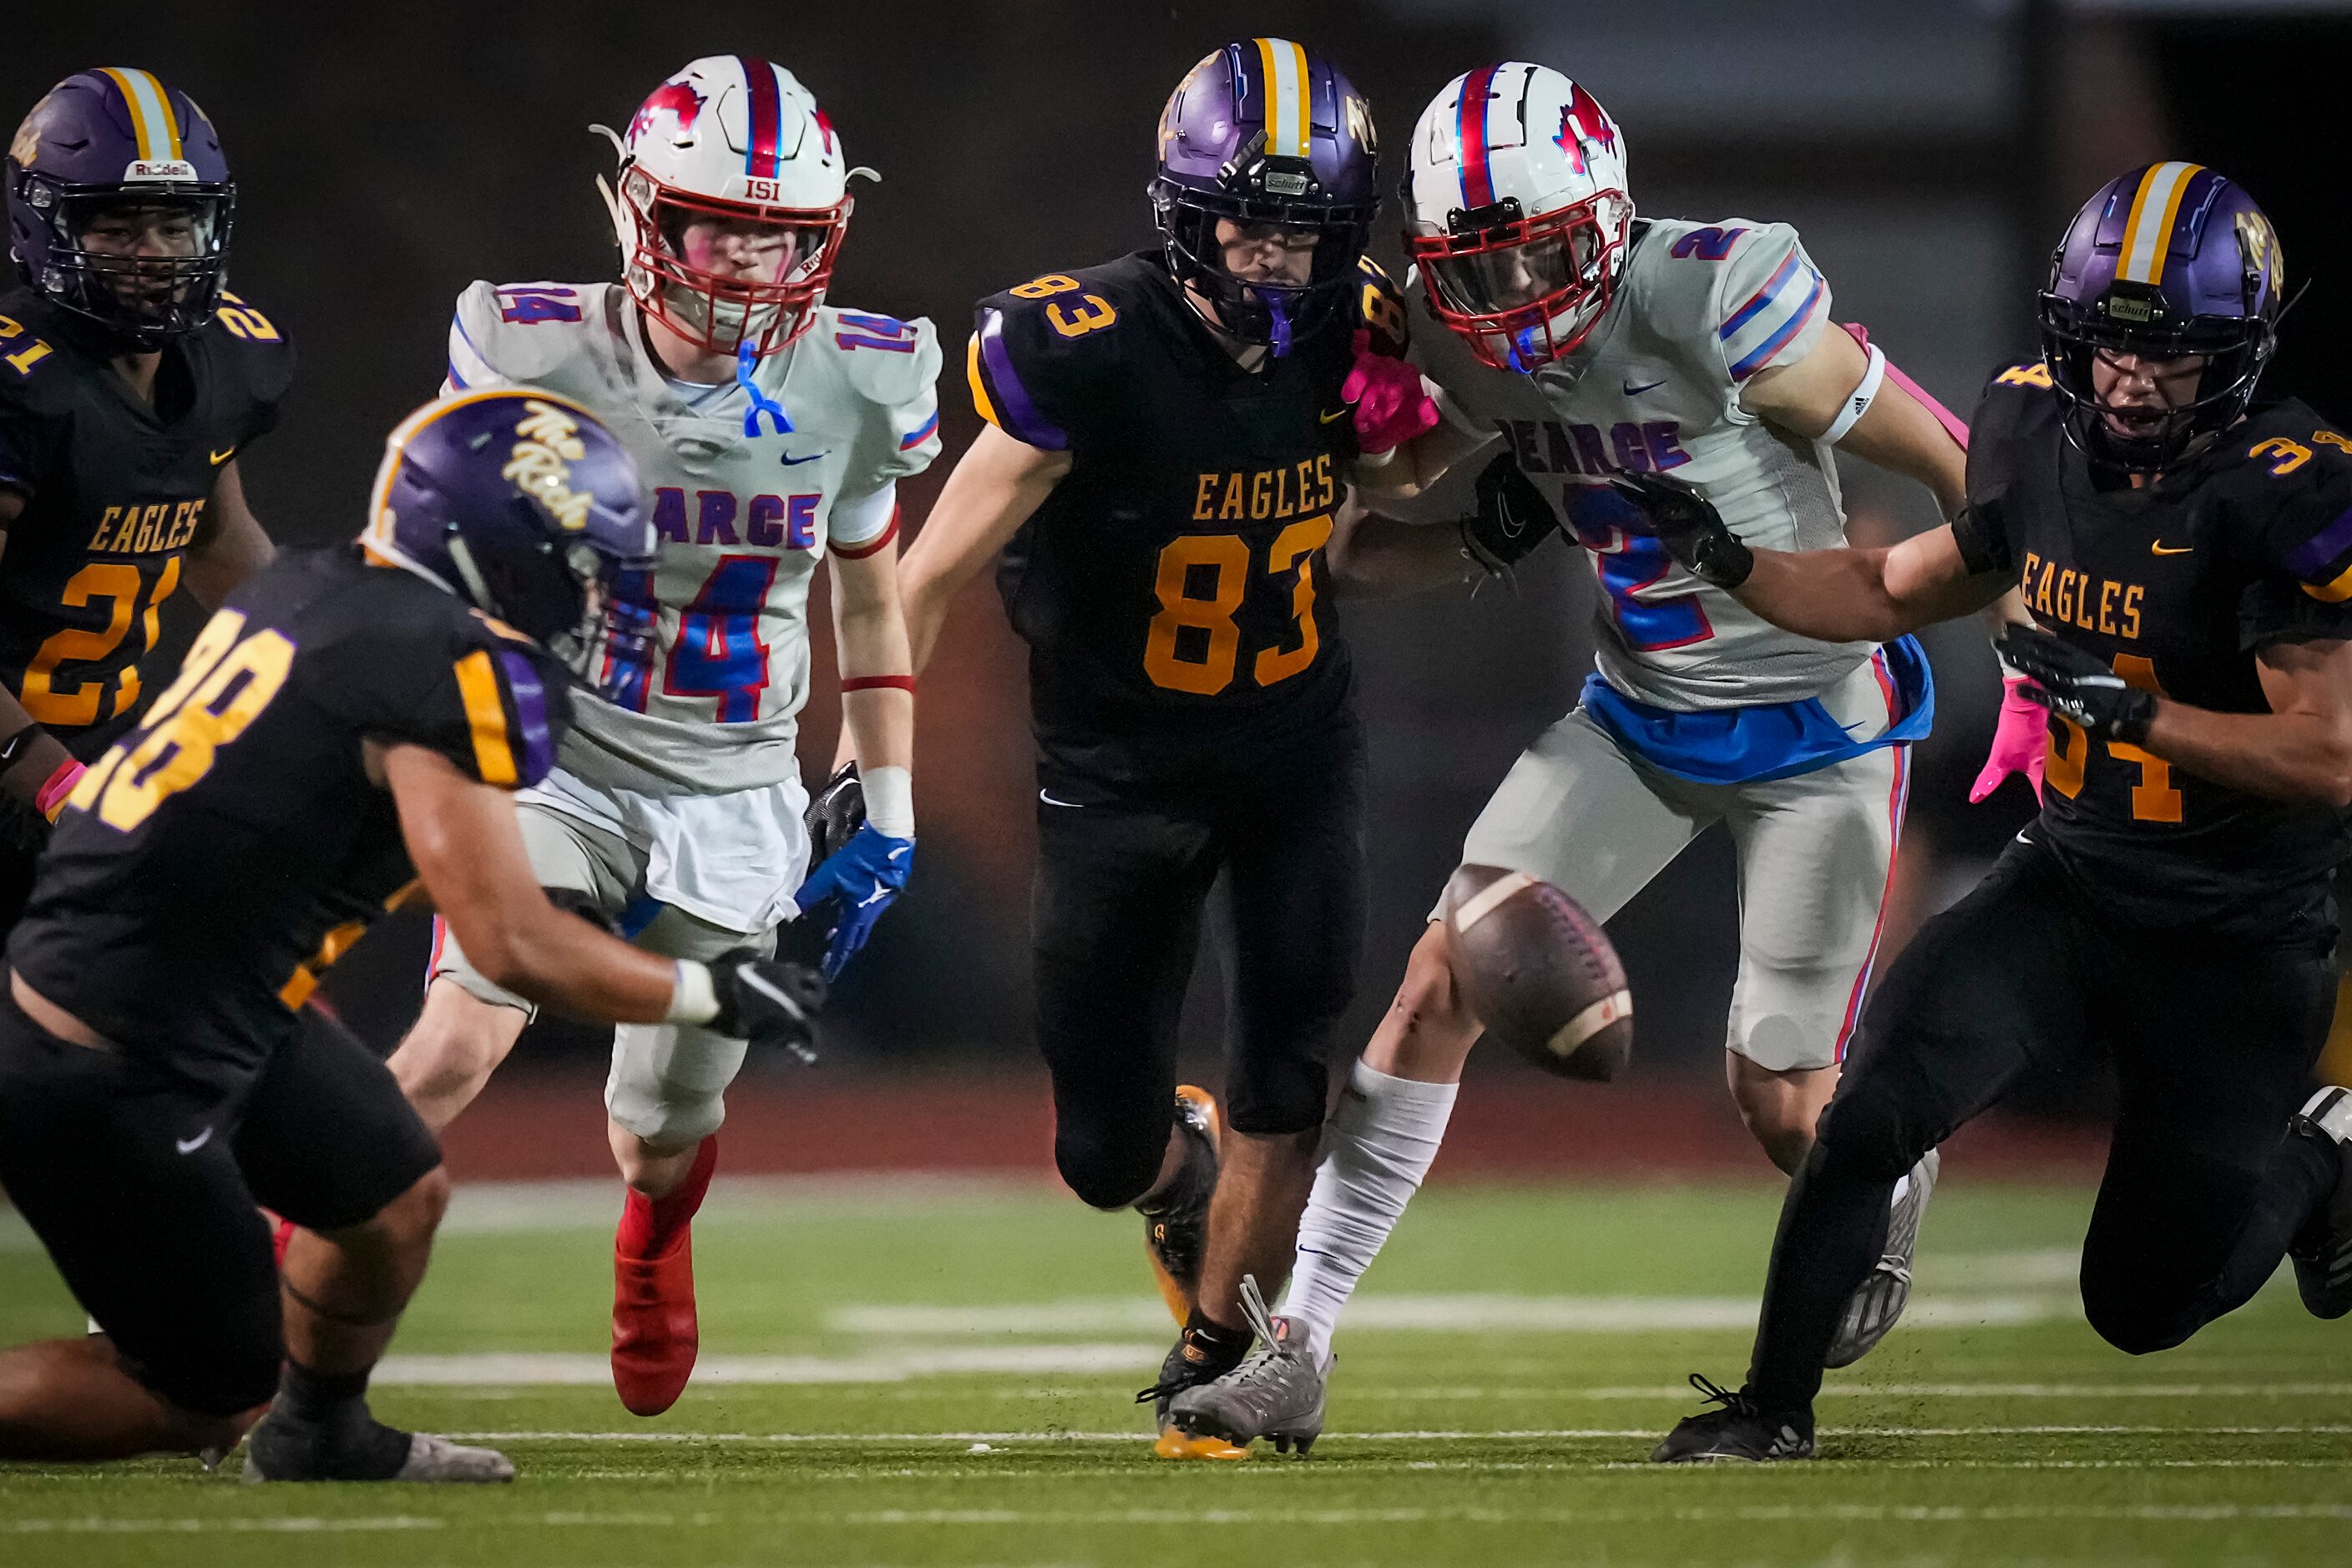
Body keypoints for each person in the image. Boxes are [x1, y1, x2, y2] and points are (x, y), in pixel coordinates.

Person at [1168, 62, 1989, 1455]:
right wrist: (1444, 518)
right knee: (1438, 974)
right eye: (1476, 267)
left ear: (1605, 217)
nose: (1514, 296)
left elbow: (1967, 470)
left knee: (1782, 1098)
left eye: (1543, 250)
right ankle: (1297, 1342)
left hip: (1816, 725)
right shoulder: (1452, 347)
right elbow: (1370, 548)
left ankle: (1883, 1159)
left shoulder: (1720, 293)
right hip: (1635, 713)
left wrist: (2030, 639)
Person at [1646, 164, 2352, 1462]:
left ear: (2237, 355)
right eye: (2108, 346)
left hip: (2234, 941)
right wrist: (1721, 557)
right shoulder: (2030, 431)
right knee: (1867, 1113)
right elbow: (1884, 584)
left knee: (2140, 1305)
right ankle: (1772, 1404)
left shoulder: (2290, 485)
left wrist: (2129, 713)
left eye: (2170, 356)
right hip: (2074, 886)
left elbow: (2327, 756)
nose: (2130, 381)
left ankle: (2325, 1155)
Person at [0, 387, 823, 1478]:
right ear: (495, 549)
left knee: (392, 1197)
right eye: (574, 559)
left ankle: (321, 1432)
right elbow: (514, 938)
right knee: (204, 1391)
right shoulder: (432, 663)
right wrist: (708, 993)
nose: (593, 592)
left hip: (202, 986)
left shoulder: (315, 580)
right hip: (115, 1044)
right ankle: (267, 1411)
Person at [892, 38, 1492, 1458]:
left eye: (1304, 231)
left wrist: (1496, 480)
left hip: (1292, 747)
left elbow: (1386, 493)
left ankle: (1218, 1352)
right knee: (1098, 1150)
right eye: (1244, 218)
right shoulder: (1082, 348)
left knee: (1293, 1060)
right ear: (1178, 207)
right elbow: (923, 576)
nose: (1271, 256)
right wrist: (863, 758)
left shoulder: (1361, 327)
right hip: (1112, 775)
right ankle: (1178, 1174)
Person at [383, 55, 939, 1419]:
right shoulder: (530, 343)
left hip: (737, 785)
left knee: (658, 1129)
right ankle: (251, 1282)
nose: (747, 260)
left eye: (777, 233)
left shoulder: (863, 378)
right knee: (457, 1041)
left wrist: (890, 794)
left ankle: (650, 1242)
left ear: (824, 236)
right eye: (714, 224)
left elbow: (868, 587)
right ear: (643, 216)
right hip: (557, 757)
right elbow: (423, 540)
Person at [1, 68, 282, 933]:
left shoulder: (223, 365)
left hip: (92, 767)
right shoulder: (22, 389)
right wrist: (59, 785)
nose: (154, 250)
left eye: (175, 221)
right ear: (42, 222)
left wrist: (341, 680)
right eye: (118, 226)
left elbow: (220, 545)